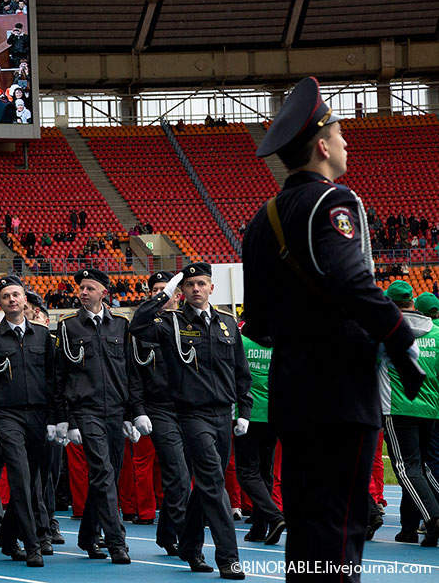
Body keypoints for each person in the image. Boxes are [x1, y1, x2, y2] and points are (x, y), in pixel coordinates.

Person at [242, 77, 423, 583]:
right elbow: (351, 280)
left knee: (307, 530)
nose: (347, 144)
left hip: (292, 391)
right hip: (340, 391)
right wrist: (399, 341)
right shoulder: (333, 202)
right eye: (342, 136)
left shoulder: (263, 219)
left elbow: (257, 322)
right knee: (342, 531)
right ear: (322, 146)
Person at [130, 263, 250, 578]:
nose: (196, 289)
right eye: (189, 285)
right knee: (213, 482)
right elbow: (137, 326)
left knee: (206, 487)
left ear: (212, 288)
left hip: (223, 415)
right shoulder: (171, 323)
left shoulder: (227, 324)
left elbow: (240, 371)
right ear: (182, 291)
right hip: (191, 415)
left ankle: (189, 546)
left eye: (201, 283)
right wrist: (163, 295)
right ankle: (229, 557)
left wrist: (245, 411)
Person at [54, 268, 139, 565]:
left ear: (104, 293)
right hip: (85, 410)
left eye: (90, 288)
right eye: (81, 288)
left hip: (116, 411)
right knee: (103, 472)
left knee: (108, 477)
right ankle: (117, 541)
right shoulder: (68, 327)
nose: (83, 292)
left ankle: (87, 535)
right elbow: (60, 377)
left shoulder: (120, 326)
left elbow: (129, 373)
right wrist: (68, 419)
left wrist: (132, 413)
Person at [0, 275, 55, 567]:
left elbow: (53, 380)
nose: (12, 300)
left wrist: (56, 418)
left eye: (17, 294)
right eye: (6, 296)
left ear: (26, 300)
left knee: (35, 479)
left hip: (39, 416)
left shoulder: (43, 335)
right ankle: (32, 542)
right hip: (7, 415)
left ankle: (8, 535)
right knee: (20, 478)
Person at [130, 272, 190, 556]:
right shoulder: (146, 328)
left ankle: (168, 533)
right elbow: (134, 375)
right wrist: (138, 411)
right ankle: (177, 534)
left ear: (179, 295)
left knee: (190, 475)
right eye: (155, 291)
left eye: (165, 291)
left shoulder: (187, 323)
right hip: (159, 409)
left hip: (190, 408)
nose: (160, 295)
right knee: (177, 473)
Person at [378, 280, 439, 546]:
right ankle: (408, 528)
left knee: (405, 469)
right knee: (422, 469)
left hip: (398, 407)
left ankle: (434, 517)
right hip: (430, 408)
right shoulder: (436, 332)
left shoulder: (387, 330)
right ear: (412, 301)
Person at [236, 328, 285, 545]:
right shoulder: (278, 344)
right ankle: (258, 527)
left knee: (247, 472)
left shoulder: (242, 342)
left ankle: (273, 517)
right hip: (273, 413)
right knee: (265, 472)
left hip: (247, 414)